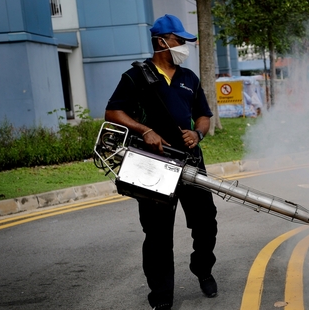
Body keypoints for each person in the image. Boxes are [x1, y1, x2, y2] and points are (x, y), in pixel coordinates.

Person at [104, 14, 218, 310]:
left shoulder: (189, 78)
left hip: (191, 162)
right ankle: (162, 299)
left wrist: (197, 133)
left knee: (206, 222)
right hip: (152, 166)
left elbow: (204, 115)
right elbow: (113, 112)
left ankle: (202, 268)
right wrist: (145, 130)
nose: (184, 46)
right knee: (157, 235)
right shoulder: (135, 77)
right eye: (179, 40)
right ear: (161, 42)